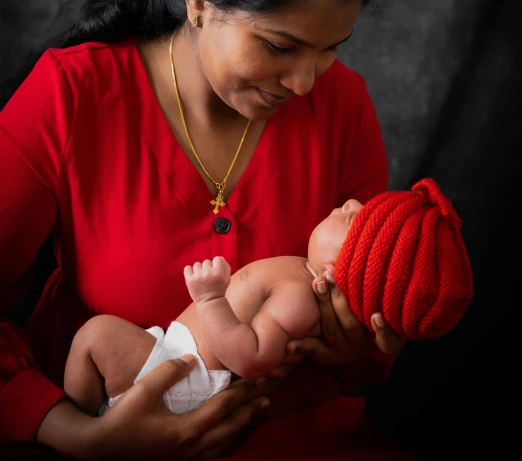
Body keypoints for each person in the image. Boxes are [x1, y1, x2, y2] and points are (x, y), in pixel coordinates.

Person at [0, 0, 492, 461]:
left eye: (330, 49)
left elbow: (361, 347)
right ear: (197, 1)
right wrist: (80, 433)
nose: (306, 83)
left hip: (299, 456)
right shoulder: (70, 96)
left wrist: (361, 342)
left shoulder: (343, 105)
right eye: (280, 45)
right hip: (106, 458)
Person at [64, 178, 473, 420]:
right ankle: (98, 426)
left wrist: (210, 301)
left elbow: (251, 358)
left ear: (338, 271)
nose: (350, 203)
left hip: (186, 378)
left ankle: (86, 421)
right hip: (177, 359)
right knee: (98, 342)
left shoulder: (299, 297)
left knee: (96, 336)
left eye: (354, 218)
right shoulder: (300, 277)